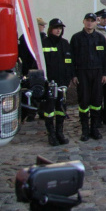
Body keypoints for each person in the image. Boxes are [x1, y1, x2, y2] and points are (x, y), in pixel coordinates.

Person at [70, 13, 106, 141]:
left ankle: (94, 128)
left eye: (92, 21)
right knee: (84, 101)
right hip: (82, 72)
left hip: (97, 72)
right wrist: (73, 75)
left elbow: (105, 58)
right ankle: (85, 130)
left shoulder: (100, 38)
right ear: (83, 21)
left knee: (97, 101)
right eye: (87, 20)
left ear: (96, 23)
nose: (90, 23)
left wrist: (105, 73)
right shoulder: (76, 38)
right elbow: (72, 59)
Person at [41, 18, 74, 146]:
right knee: (49, 109)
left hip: (62, 82)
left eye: (60, 28)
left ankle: (60, 132)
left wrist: (69, 79)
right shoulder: (44, 43)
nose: (58, 30)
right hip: (49, 82)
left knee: (61, 108)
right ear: (50, 29)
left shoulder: (65, 43)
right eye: (56, 28)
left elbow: (70, 62)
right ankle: (51, 134)